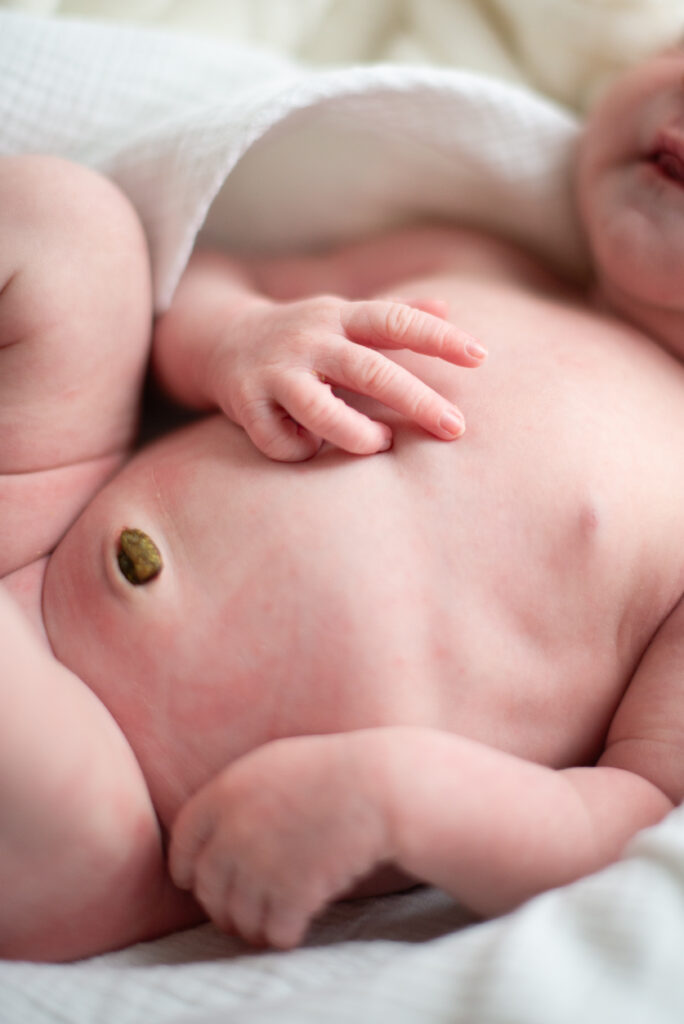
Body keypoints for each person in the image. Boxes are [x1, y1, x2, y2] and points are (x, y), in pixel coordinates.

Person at [3, 43, 684, 963]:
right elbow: (206, 286)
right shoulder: (475, 257)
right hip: (45, 511)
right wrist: (242, 336)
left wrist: (401, 800)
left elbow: (629, 816)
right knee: (66, 222)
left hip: (124, 805)